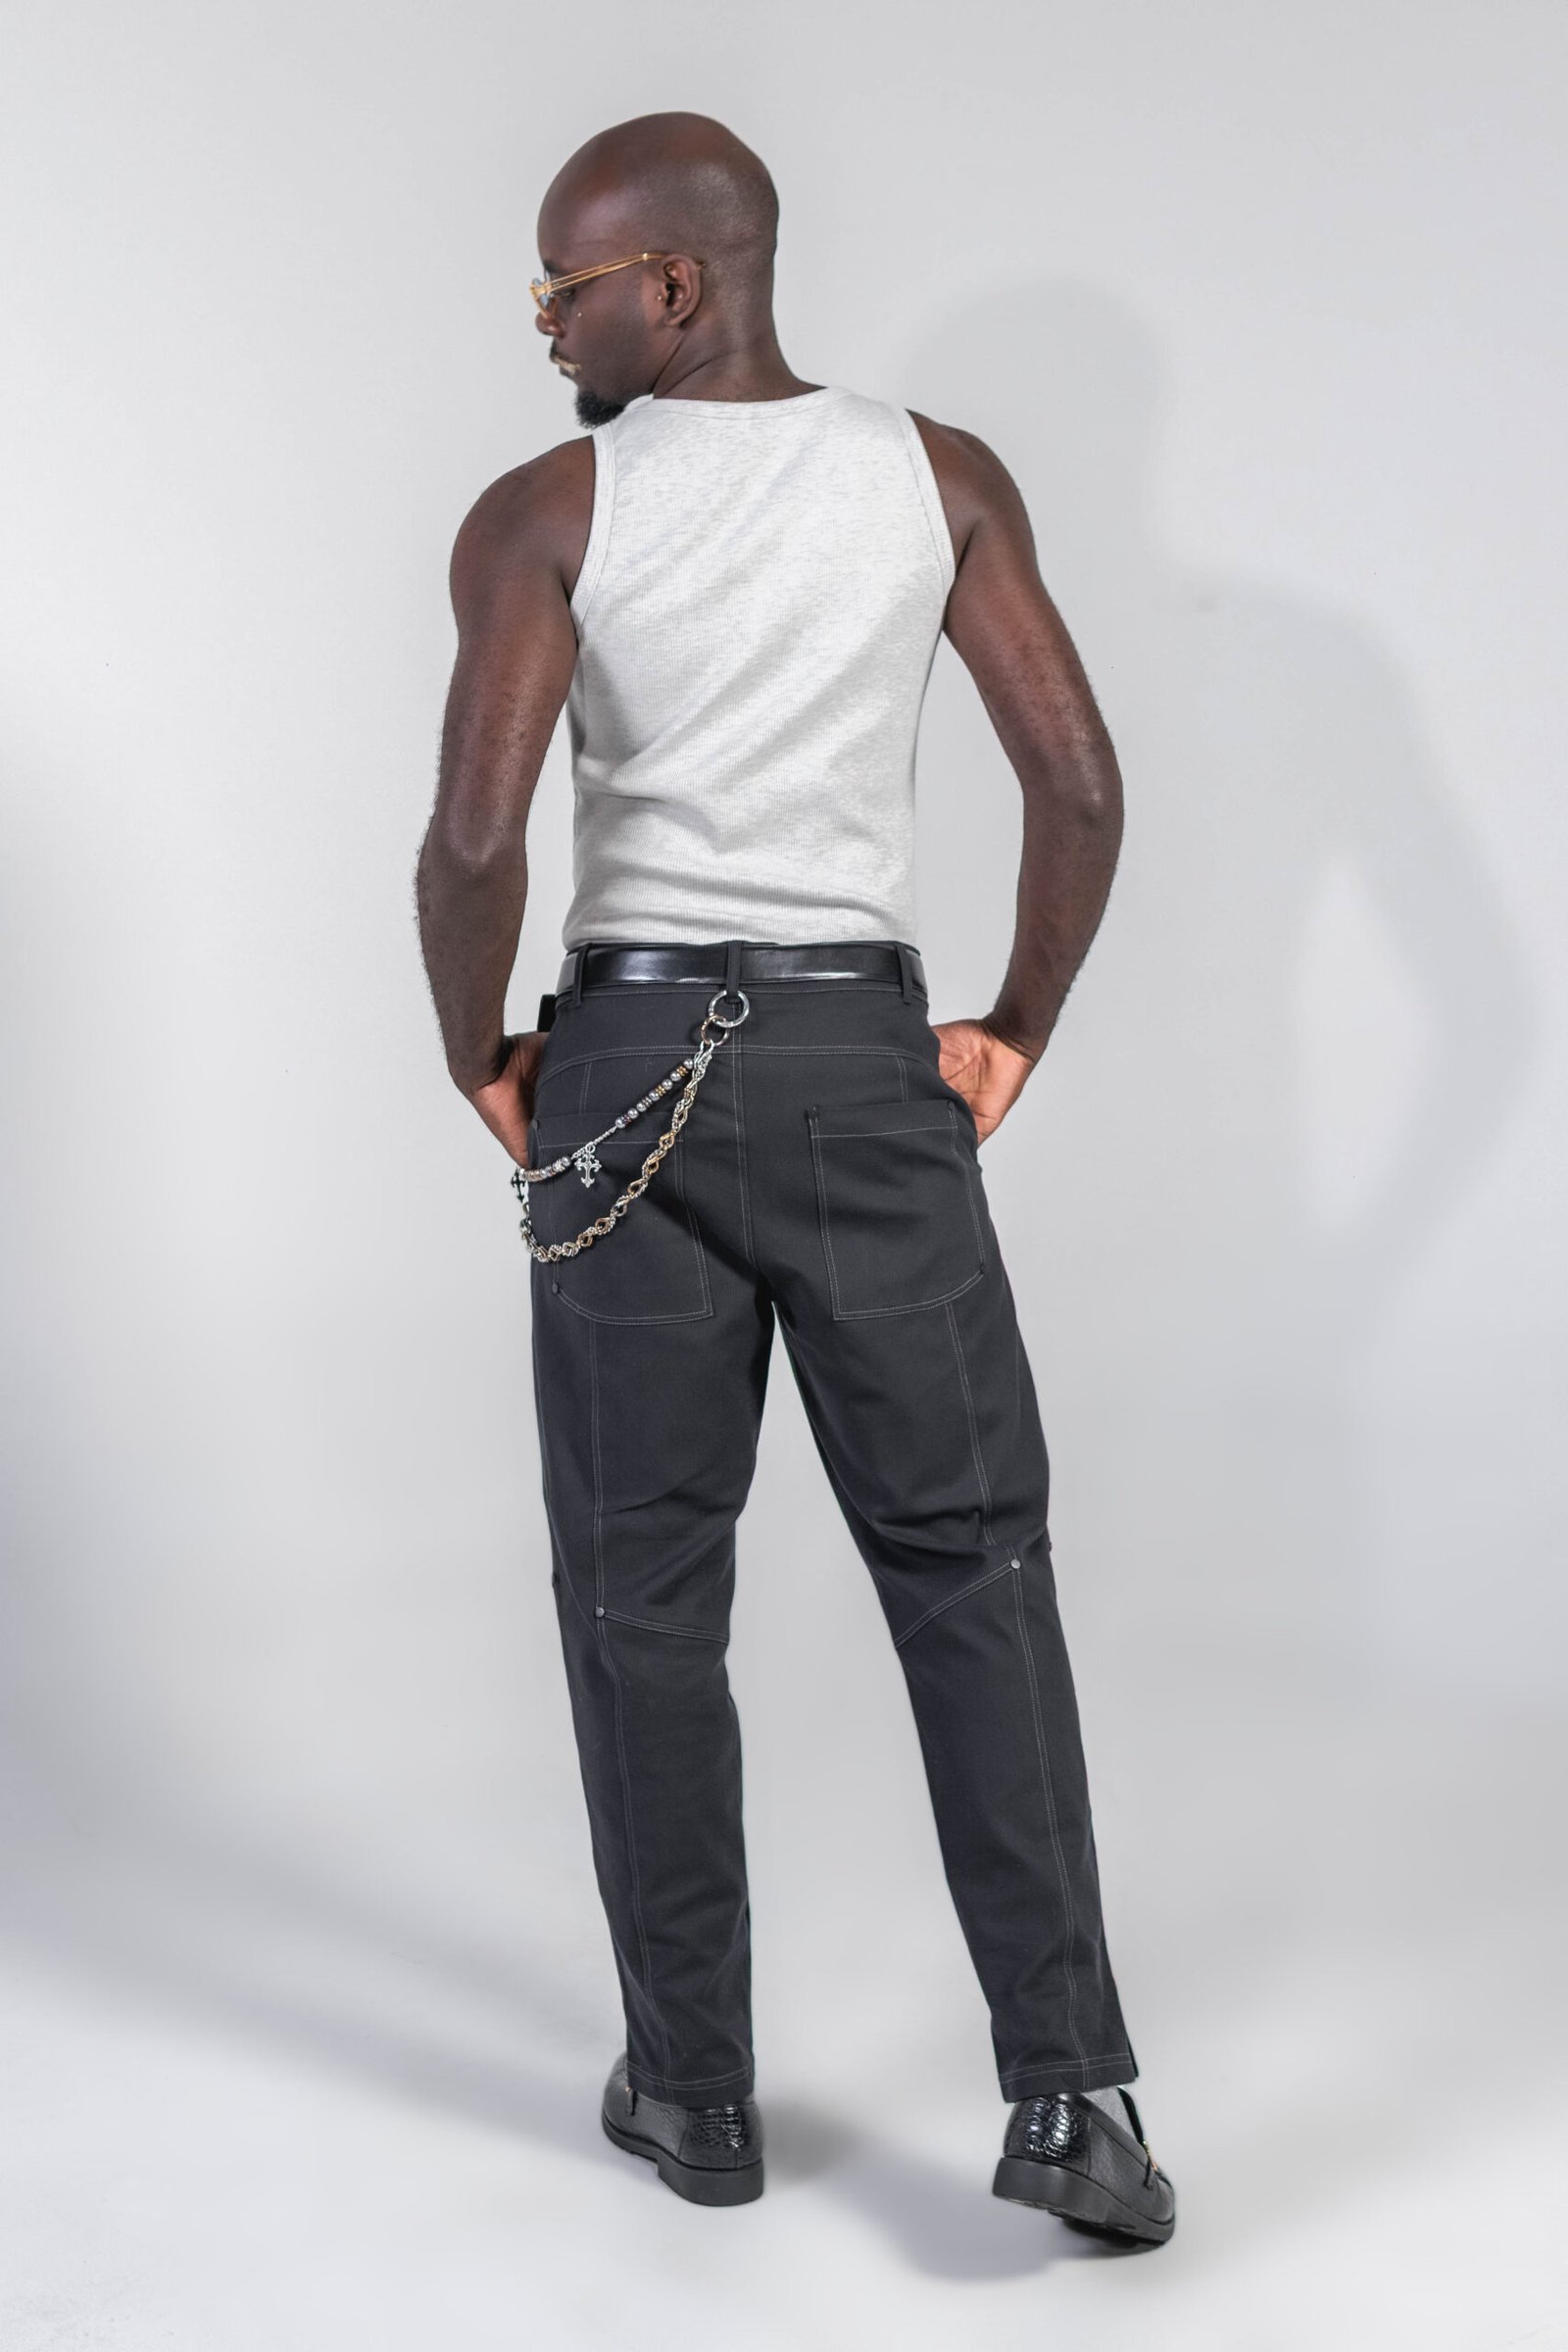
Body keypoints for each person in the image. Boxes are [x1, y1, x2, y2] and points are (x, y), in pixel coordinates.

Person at [416, 110, 1175, 2246]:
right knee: (973, 1569)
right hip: (862, 1059)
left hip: (625, 1065)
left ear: (674, 285)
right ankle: (1074, 2102)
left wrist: (475, 1051)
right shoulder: (939, 478)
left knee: (642, 1596)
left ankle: (694, 2091)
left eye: (564, 289)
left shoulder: (548, 510)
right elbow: (1078, 782)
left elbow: (474, 842)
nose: (544, 327)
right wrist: (1011, 1026)